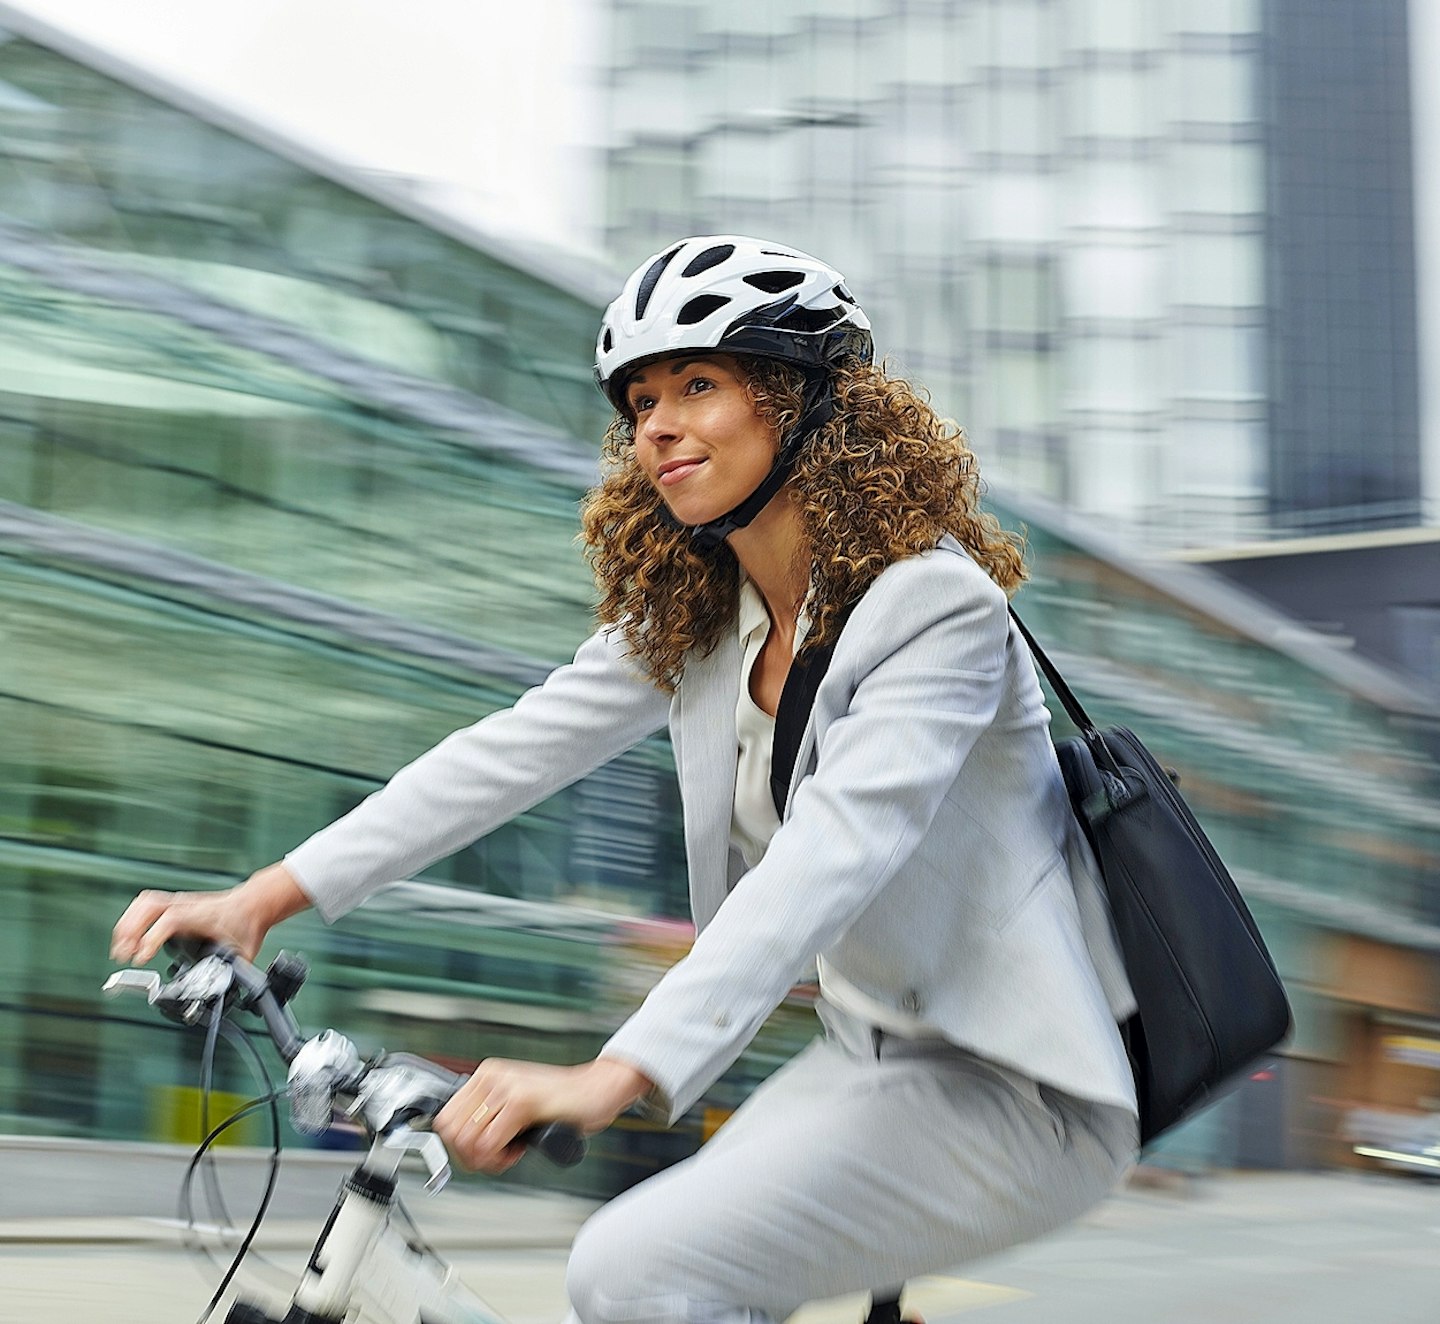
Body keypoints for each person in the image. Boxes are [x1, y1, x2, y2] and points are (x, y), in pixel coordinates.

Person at [111, 236, 1139, 1323]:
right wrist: (269, 893)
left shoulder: (938, 610)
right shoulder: (705, 622)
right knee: (651, 1276)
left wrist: (617, 1070)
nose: (657, 423)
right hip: (872, 1060)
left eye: (699, 383)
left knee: (630, 1269)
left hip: (1020, 1092)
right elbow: (511, 751)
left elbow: (833, 853)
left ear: (802, 402)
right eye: (642, 398)